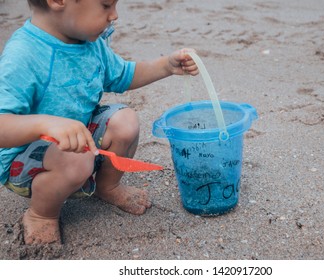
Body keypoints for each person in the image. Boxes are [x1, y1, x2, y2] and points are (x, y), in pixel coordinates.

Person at [0, 0, 199, 245]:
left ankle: (108, 186)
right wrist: (46, 124)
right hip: (24, 160)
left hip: (77, 144)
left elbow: (125, 75)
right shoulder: (24, 55)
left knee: (125, 121)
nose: (114, 15)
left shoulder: (90, 44)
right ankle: (41, 213)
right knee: (76, 158)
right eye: (105, 5)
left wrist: (166, 66)